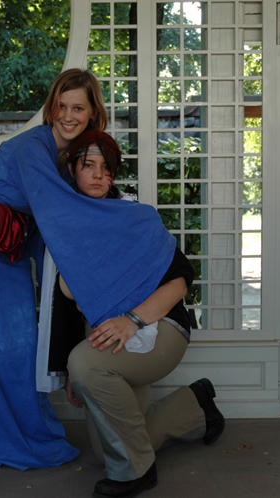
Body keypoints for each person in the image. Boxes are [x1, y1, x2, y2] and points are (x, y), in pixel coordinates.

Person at [0, 69, 179, 471]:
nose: (67, 116)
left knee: (15, 342)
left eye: (78, 108)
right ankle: (2, 429)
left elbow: (58, 223)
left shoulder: (71, 156)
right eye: (61, 106)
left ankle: (12, 424)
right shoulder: (35, 145)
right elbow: (61, 213)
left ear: (93, 111)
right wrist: (131, 219)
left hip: (7, 238)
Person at [36, 130, 225, 498]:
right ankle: (196, 406)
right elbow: (64, 309)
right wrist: (70, 372)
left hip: (159, 328)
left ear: (114, 174)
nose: (97, 174)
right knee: (108, 450)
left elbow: (180, 282)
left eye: (106, 167)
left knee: (90, 371)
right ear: (72, 169)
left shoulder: (135, 216)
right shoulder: (64, 226)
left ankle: (138, 473)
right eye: (88, 165)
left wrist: (131, 321)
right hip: (108, 337)